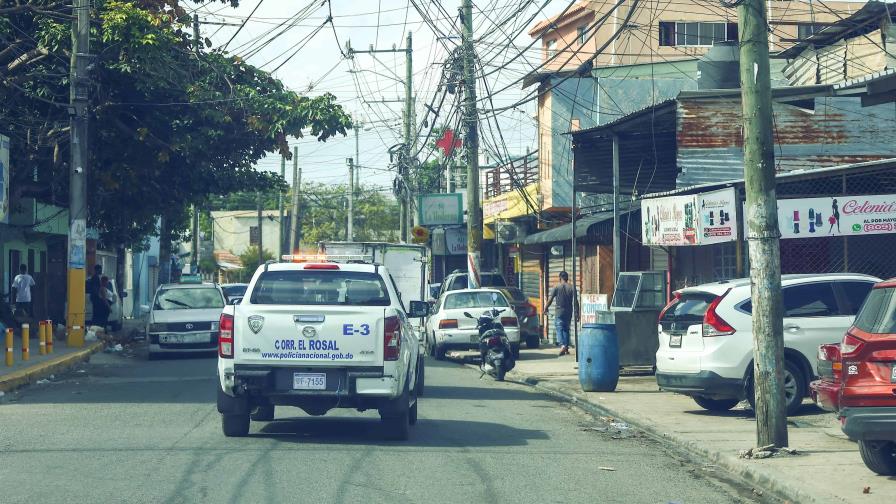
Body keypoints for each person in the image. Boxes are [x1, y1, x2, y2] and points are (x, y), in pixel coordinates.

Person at [544, 271, 577, 357]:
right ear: (567, 278)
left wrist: (545, 308)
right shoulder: (572, 288)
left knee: (559, 328)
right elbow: (576, 302)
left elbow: (550, 300)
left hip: (559, 311)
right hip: (569, 311)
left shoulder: (556, 287)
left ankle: (562, 345)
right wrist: (578, 313)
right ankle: (566, 347)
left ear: (560, 278)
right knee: (566, 328)